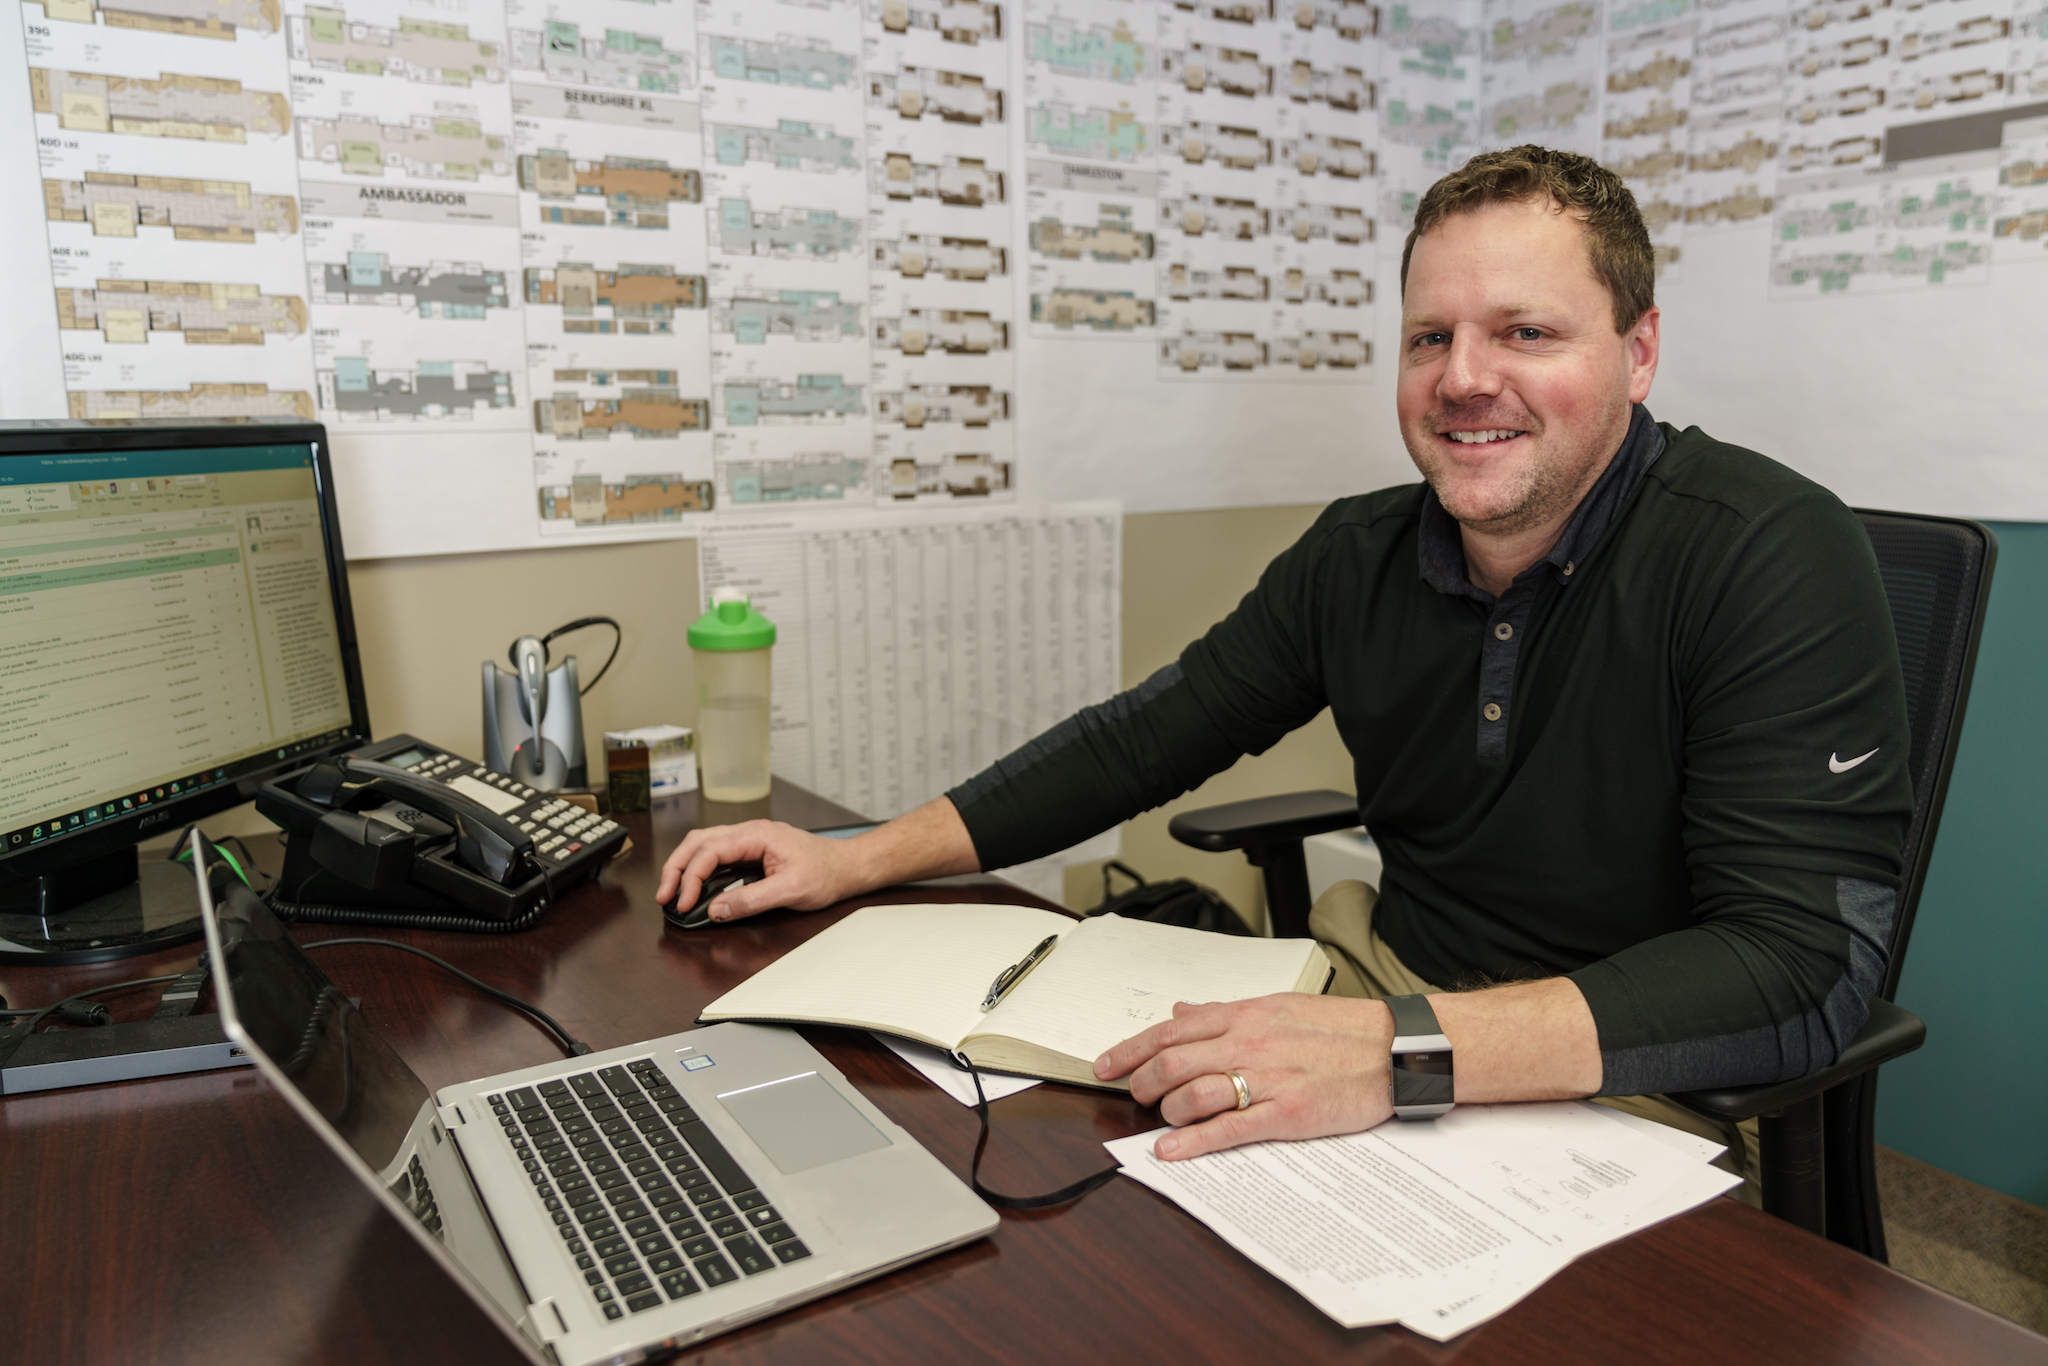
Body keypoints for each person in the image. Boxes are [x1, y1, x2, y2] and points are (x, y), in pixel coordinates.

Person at [658, 145, 1911, 1178]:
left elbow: (1799, 972)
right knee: (1067, 1192)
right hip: (1373, 981)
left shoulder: (1767, 552)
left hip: (1613, 1078)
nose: (1464, 380)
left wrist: (1399, 1050)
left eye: (1524, 331)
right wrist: (857, 854)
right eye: (1430, 339)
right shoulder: (1358, 553)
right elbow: (1149, 733)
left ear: (1637, 353)